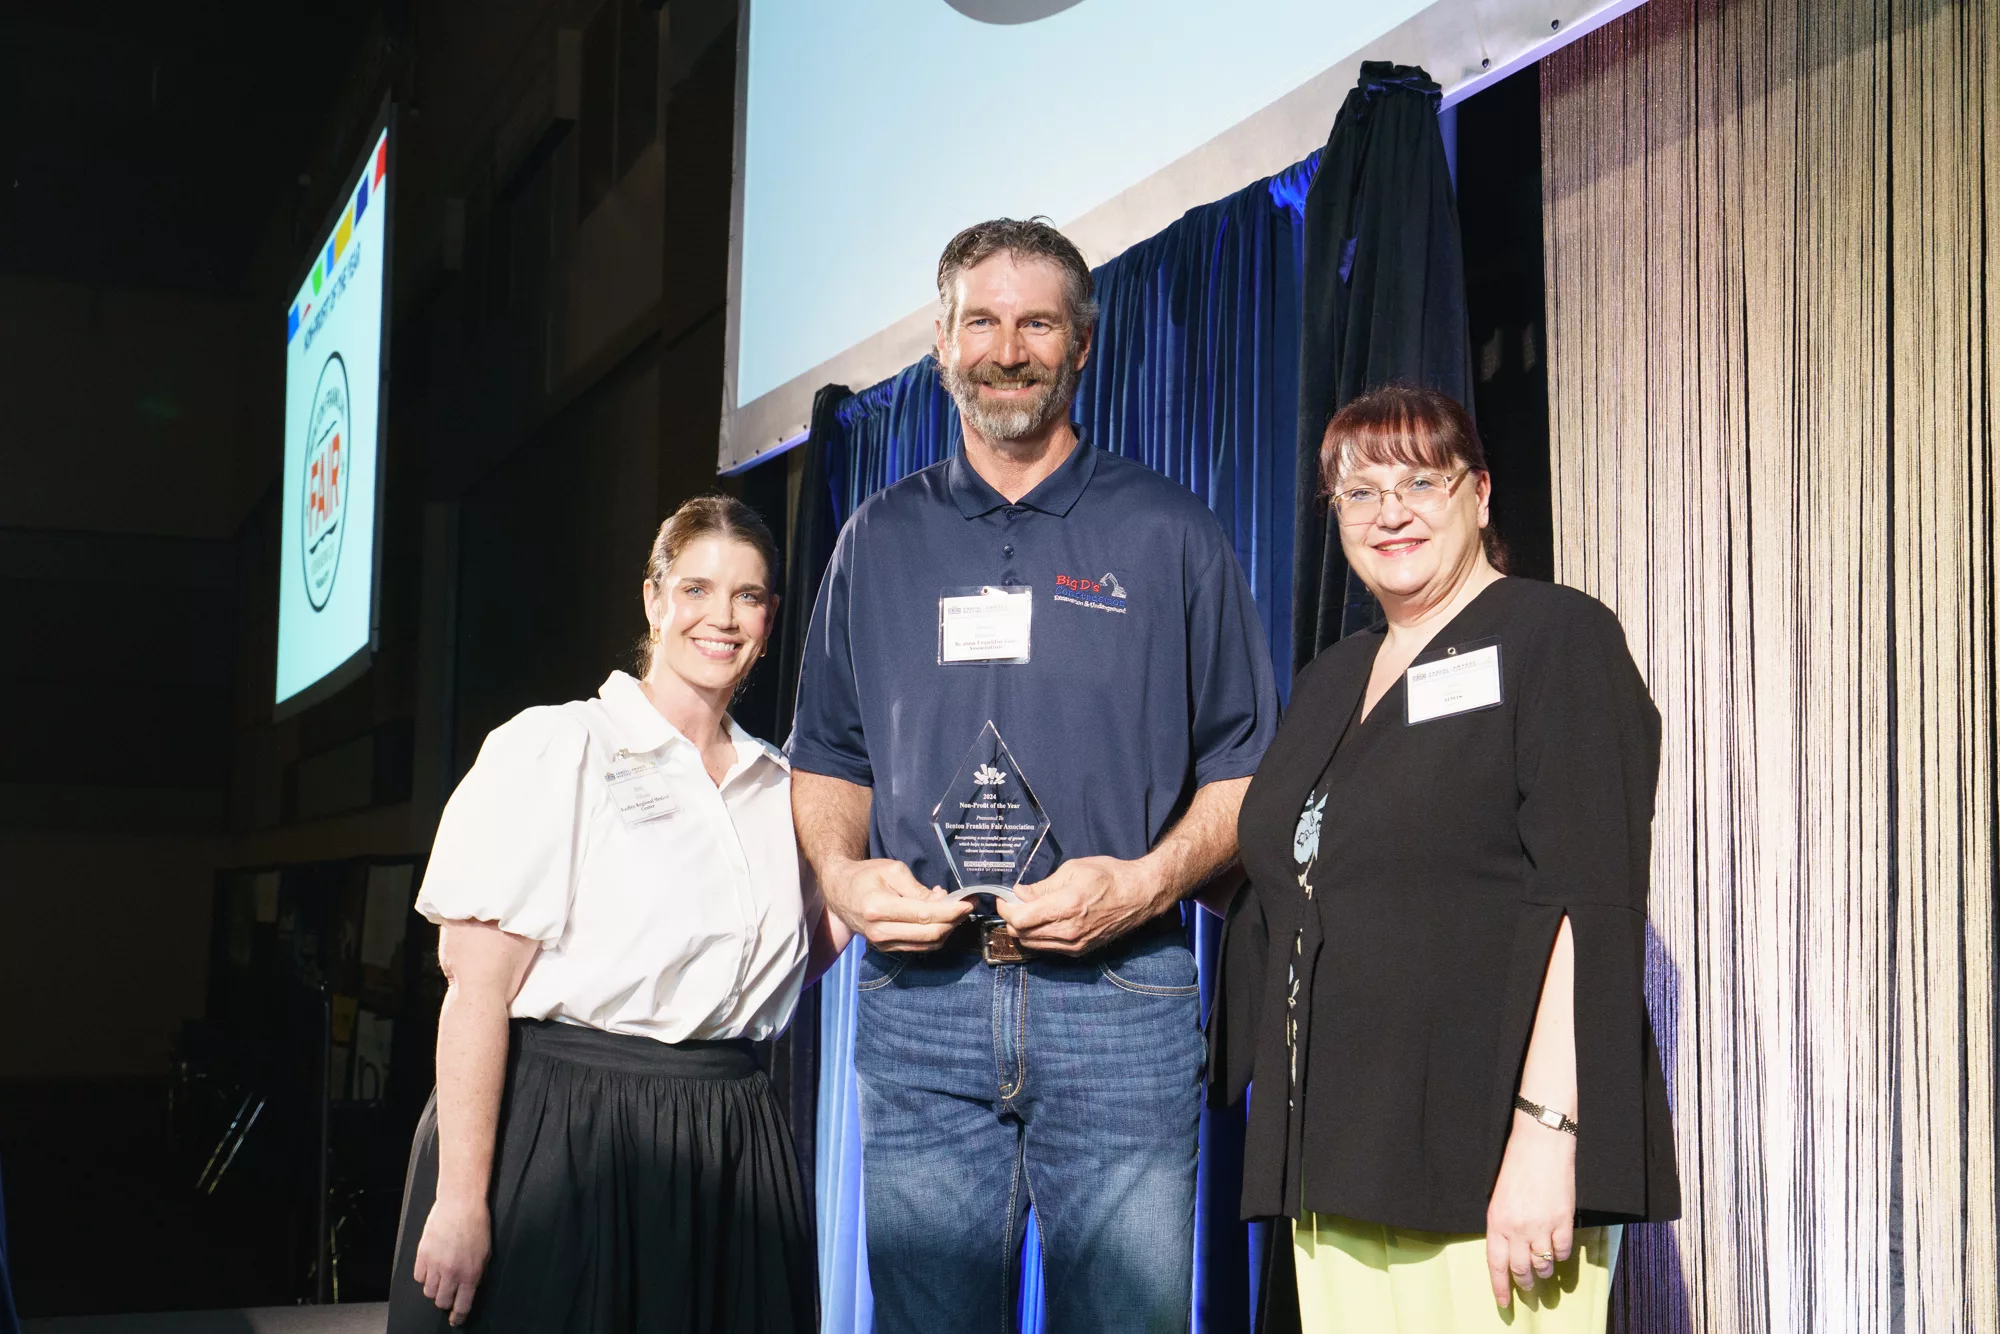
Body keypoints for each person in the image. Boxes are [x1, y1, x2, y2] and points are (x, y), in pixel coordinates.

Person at [788, 217, 1279, 1333]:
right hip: (920, 1005)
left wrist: (1148, 883)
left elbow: (1244, 772)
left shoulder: (1170, 532)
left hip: (1121, 997)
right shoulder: (875, 540)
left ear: (1080, 345)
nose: (1007, 347)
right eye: (982, 320)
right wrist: (838, 871)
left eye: (1036, 321)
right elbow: (828, 753)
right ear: (941, 344)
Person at [1212, 383, 1680, 1331]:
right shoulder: (1330, 680)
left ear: (1481, 492)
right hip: (1336, 1157)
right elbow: (1291, 875)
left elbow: (1589, 899)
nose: (1391, 511)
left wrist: (1549, 1137)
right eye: (1358, 490)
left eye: (1421, 480)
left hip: (1489, 1160)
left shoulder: (1556, 637)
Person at [385, 496, 840, 1334]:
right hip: (567, 1132)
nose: (723, 617)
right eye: (698, 589)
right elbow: (477, 994)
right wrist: (459, 1199)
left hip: (731, 1140)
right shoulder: (558, 748)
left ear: (771, 621)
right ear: (654, 600)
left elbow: (791, 957)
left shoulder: (786, 787)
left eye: (748, 596)